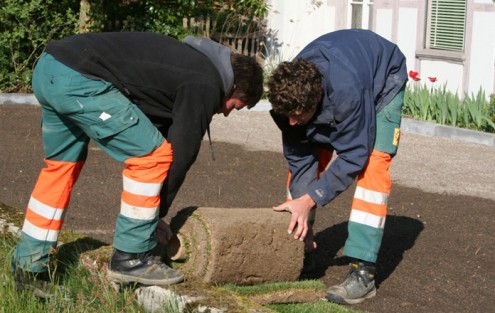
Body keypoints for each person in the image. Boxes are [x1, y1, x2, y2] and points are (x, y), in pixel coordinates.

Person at [11, 32, 263, 298]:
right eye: (236, 106)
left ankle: (28, 268)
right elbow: (182, 153)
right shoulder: (206, 82)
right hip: (80, 79)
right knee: (152, 157)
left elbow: (157, 125)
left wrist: (154, 209)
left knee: (60, 168)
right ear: (235, 87)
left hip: (50, 67)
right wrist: (154, 216)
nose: (225, 112)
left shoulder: (189, 63)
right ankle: (131, 257)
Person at [267, 29, 407, 305]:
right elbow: (300, 160)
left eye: (298, 116)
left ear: (315, 103)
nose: (291, 123)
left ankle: (363, 273)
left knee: (373, 167)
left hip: (381, 79)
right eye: (288, 116)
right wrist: (303, 211)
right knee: (310, 157)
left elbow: (355, 154)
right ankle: (300, 246)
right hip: (342, 74)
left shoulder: (348, 94)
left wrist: (312, 198)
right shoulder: (290, 99)